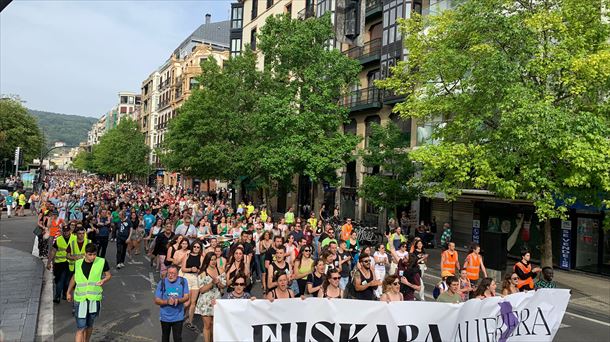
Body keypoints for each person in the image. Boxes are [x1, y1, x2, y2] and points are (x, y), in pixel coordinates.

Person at [66, 244, 112, 342]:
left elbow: (108, 275)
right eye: (90, 254)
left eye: (94, 254)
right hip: (80, 300)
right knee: (81, 327)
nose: (92, 257)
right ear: (85, 254)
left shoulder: (102, 262)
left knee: (89, 325)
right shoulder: (78, 263)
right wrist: (68, 291)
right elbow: (74, 278)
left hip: (94, 300)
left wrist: (103, 280)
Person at [154, 264, 190, 342]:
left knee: (177, 338)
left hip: (178, 316)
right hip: (165, 316)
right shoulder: (162, 282)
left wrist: (178, 300)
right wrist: (167, 301)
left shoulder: (183, 281)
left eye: (173, 273)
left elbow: (186, 296)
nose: (171, 275)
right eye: (169, 273)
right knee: (165, 337)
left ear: (177, 274)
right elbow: (156, 300)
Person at [196, 252, 226, 342]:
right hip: (205, 302)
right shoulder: (203, 272)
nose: (213, 262)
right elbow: (201, 290)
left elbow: (224, 285)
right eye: (211, 260)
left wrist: (219, 283)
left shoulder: (220, 270)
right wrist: (212, 283)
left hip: (217, 301)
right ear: (207, 261)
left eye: (214, 259)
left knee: (215, 325)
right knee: (207, 325)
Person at [181, 241, 204, 331]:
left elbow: (202, 269)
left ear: (200, 248)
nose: (196, 248)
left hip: (196, 279)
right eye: (194, 246)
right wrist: (191, 269)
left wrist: (197, 270)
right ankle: (179, 316)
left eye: (198, 247)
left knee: (193, 302)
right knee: (186, 302)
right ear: (192, 247)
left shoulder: (201, 257)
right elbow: (183, 268)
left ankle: (190, 322)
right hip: (187, 278)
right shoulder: (187, 255)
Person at [47, 226, 73, 304]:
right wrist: (49, 262)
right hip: (60, 263)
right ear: (62, 231)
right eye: (64, 231)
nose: (66, 233)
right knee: (60, 280)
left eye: (67, 231)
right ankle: (58, 296)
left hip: (70, 262)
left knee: (67, 281)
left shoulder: (74, 238)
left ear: (70, 231)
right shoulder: (58, 240)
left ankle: (65, 293)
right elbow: (53, 251)